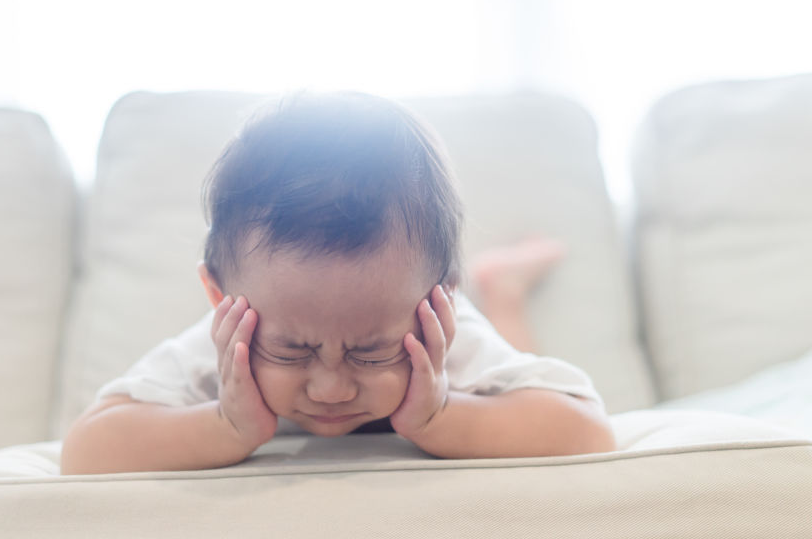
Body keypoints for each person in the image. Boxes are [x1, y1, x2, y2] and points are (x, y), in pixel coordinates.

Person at [59, 92, 616, 474]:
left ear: (440, 300)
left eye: (372, 353)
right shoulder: (226, 344)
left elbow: (586, 434)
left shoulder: (439, 336)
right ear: (220, 300)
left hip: (466, 346)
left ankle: (504, 288)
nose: (331, 388)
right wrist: (225, 424)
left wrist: (442, 415)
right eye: (291, 350)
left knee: (509, 357)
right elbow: (85, 451)